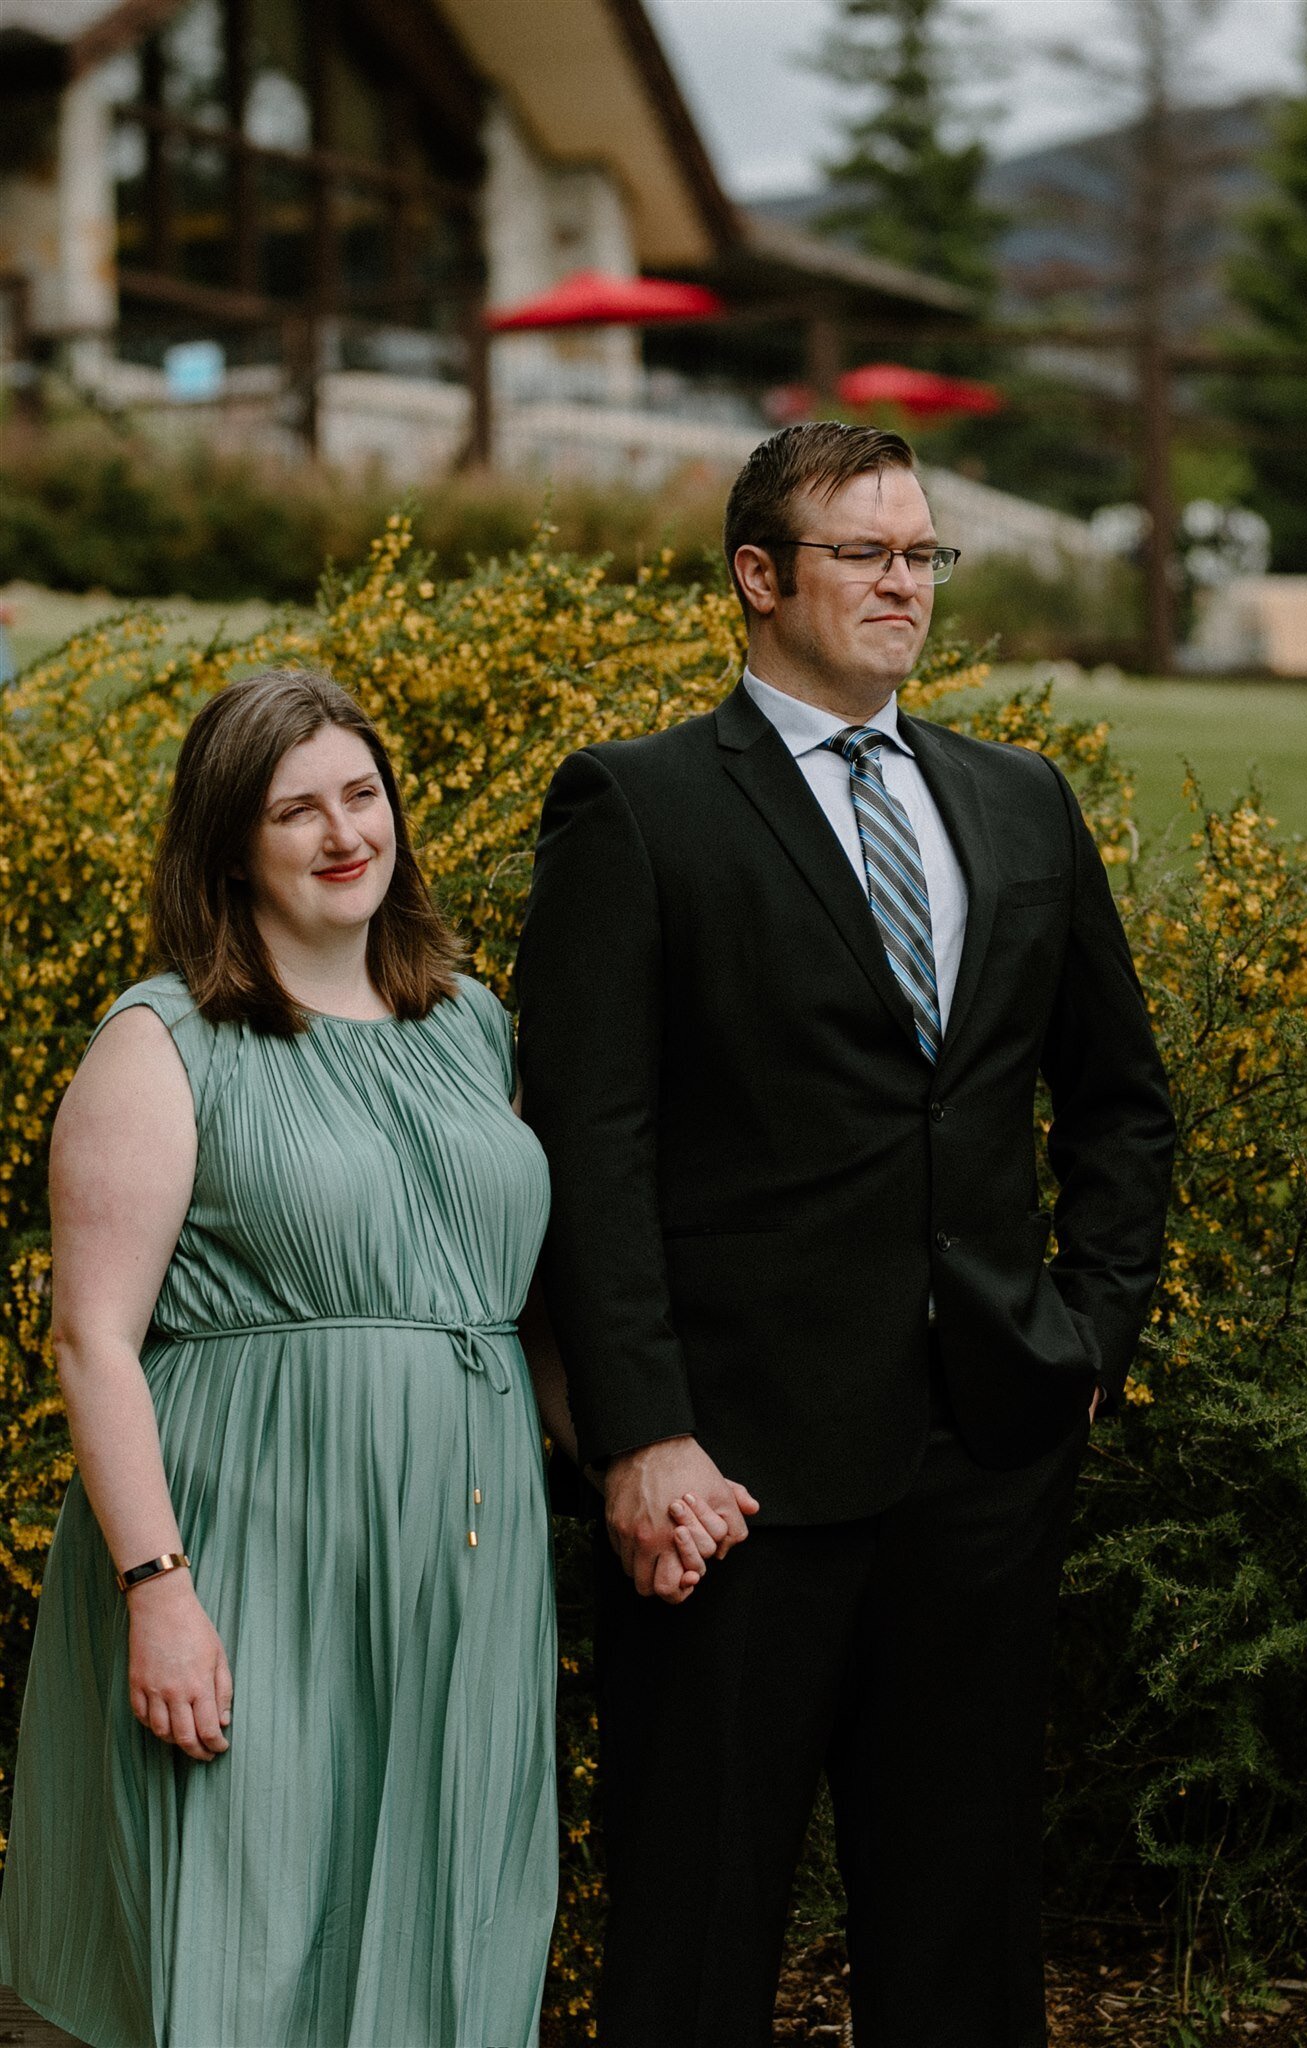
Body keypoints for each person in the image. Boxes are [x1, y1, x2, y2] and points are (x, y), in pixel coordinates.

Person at [514, 421, 1176, 2047]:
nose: (907, 585)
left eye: (923, 555)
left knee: (961, 1930)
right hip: (731, 1480)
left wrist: (1084, 1341)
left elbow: (1119, 1105)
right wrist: (639, 1433)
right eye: (867, 553)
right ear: (757, 577)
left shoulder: (1019, 804)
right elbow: (587, 1148)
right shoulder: (638, 808)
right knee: (697, 1925)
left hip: (983, 1458)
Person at [0, 668, 561, 2048]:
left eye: (360, 795)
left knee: (451, 1902)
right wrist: (158, 1591)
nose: (340, 833)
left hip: (465, 1554)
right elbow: (95, 1341)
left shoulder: (468, 1024)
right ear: (227, 845)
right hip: (251, 1548)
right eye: (293, 810)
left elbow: (509, 1295)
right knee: (245, 1917)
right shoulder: (162, 1042)